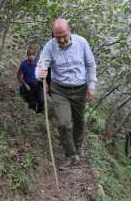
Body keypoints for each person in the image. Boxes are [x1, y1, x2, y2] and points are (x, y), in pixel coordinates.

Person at [35, 18, 97, 168]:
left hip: (80, 88)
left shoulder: (81, 42)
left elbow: (90, 64)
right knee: (64, 123)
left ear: (70, 31)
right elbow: (40, 67)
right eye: (58, 37)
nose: (61, 39)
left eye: (64, 35)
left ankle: (78, 144)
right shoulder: (49, 47)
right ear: (53, 34)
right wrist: (40, 74)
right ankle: (70, 155)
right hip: (59, 89)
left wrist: (92, 85)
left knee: (79, 121)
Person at [17, 46, 44, 113]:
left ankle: (39, 115)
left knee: (41, 101)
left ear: (34, 55)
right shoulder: (23, 64)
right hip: (28, 86)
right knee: (32, 104)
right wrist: (25, 84)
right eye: (30, 54)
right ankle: (33, 115)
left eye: (33, 54)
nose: (31, 56)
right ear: (27, 55)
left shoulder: (39, 64)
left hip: (38, 85)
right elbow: (19, 76)